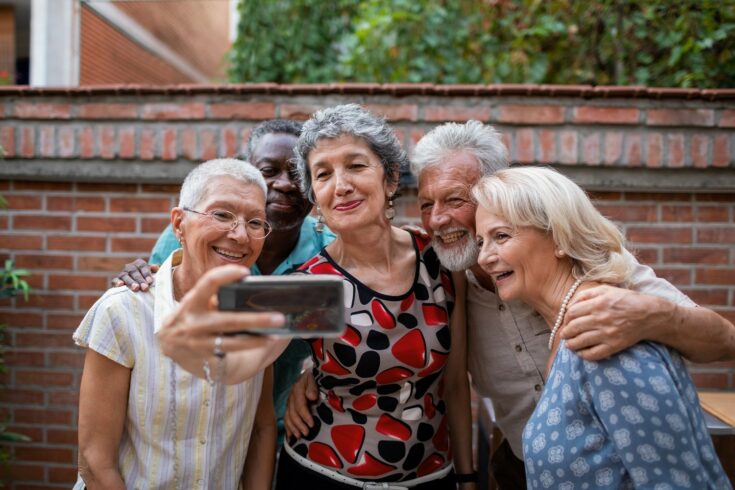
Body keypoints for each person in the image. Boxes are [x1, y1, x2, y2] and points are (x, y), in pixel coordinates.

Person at [287, 119, 735, 489]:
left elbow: (724, 342)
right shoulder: (443, 273)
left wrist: (653, 315)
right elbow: (241, 323)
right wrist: (303, 372)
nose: (439, 219)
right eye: (427, 204)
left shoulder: (594, 275)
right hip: (516, 469)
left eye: (456, 201)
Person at [158, 104, 475, 489]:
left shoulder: (436, 261)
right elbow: (237, 355)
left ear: (390, 178)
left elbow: (456, 383)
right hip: (324, 477)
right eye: (323, 174)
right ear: (316, 197)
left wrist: (468, 477)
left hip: (431, 478)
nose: (340, 185)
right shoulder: (314, 288)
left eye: (356, 166)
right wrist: (199, 335)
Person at [473, 166, 730, 488]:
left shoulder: (609, 334)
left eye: (501, 236)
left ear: (559, 238)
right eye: (481, 241)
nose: (484, 257)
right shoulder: (567, 328)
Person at [113, 119, 336, 445]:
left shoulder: (328, 249)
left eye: (299, 173)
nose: (286, 184)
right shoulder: (190, 233)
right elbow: (155, 319)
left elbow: (342, 317)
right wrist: (143, 287)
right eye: (268, 170)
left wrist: (315, 373)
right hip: (191, 432)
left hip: (284, 431)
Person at [74, 159, 279, 489]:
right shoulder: (123, 311)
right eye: (222, 214)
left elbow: (260, 428)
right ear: (179, 223)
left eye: (255, 222)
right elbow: (95, 461)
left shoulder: (262, 316)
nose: (240, 235)